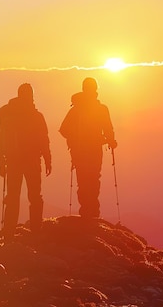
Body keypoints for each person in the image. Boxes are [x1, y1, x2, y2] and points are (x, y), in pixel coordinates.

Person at [0, 83, 52, 241]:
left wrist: (1, 163)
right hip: (32, 161)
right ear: (31, 96)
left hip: (13, 162)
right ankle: (36, 231)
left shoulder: (8, 116)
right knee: (35, 197)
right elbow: (43, 139)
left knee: (12, 197)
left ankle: (8, 233)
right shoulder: (36, 116)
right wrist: (48, 159)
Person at [59, 77, 117, 219]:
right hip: (95, 149)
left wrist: (74, 139)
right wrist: (110, 141)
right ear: (95, 89)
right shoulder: (101, 109)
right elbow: (108, 128)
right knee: (93, 179)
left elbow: (63, 129)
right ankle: (93, 213)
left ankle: (86, 212)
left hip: (79, 150)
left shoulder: (77, 109)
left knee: (84, 180)